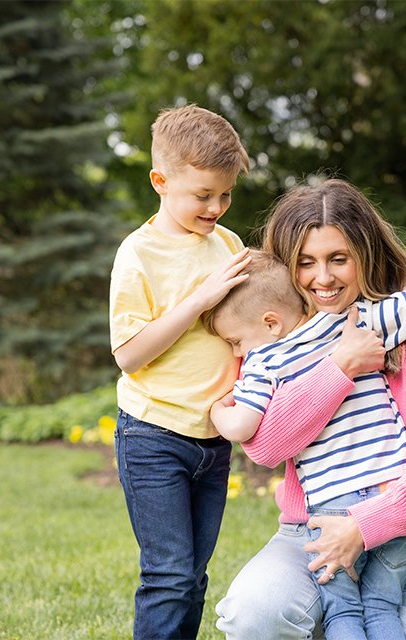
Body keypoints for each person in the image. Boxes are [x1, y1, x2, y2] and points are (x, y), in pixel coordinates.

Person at [214, 178, 406, 639]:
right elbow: (267, 446)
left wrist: (362, 527)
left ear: (367, 254)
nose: (323, 278)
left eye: (339, 259)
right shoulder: (273, 343)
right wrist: (340, 366)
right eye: (305, 263)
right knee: (252, 614)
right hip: (309, 537)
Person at [201, 250, 406, 639]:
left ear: (270, 323)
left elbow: (242, 427)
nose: (236, 352)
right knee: (381, 607)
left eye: (236, 340)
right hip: (391, 490)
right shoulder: (347, 323)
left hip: (332, 504)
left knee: (343, 611)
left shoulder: (264, 363)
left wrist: (215, 410)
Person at [108, 104, 253, 640]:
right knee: (168, 576)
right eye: (203, 195)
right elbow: (128, 354)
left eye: (225, 194)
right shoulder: (139, 254)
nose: (216, 206)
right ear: (160, 181)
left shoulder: (229, 245)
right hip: (153, 435)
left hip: (212, 440)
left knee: (192, 578)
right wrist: (199, 300)